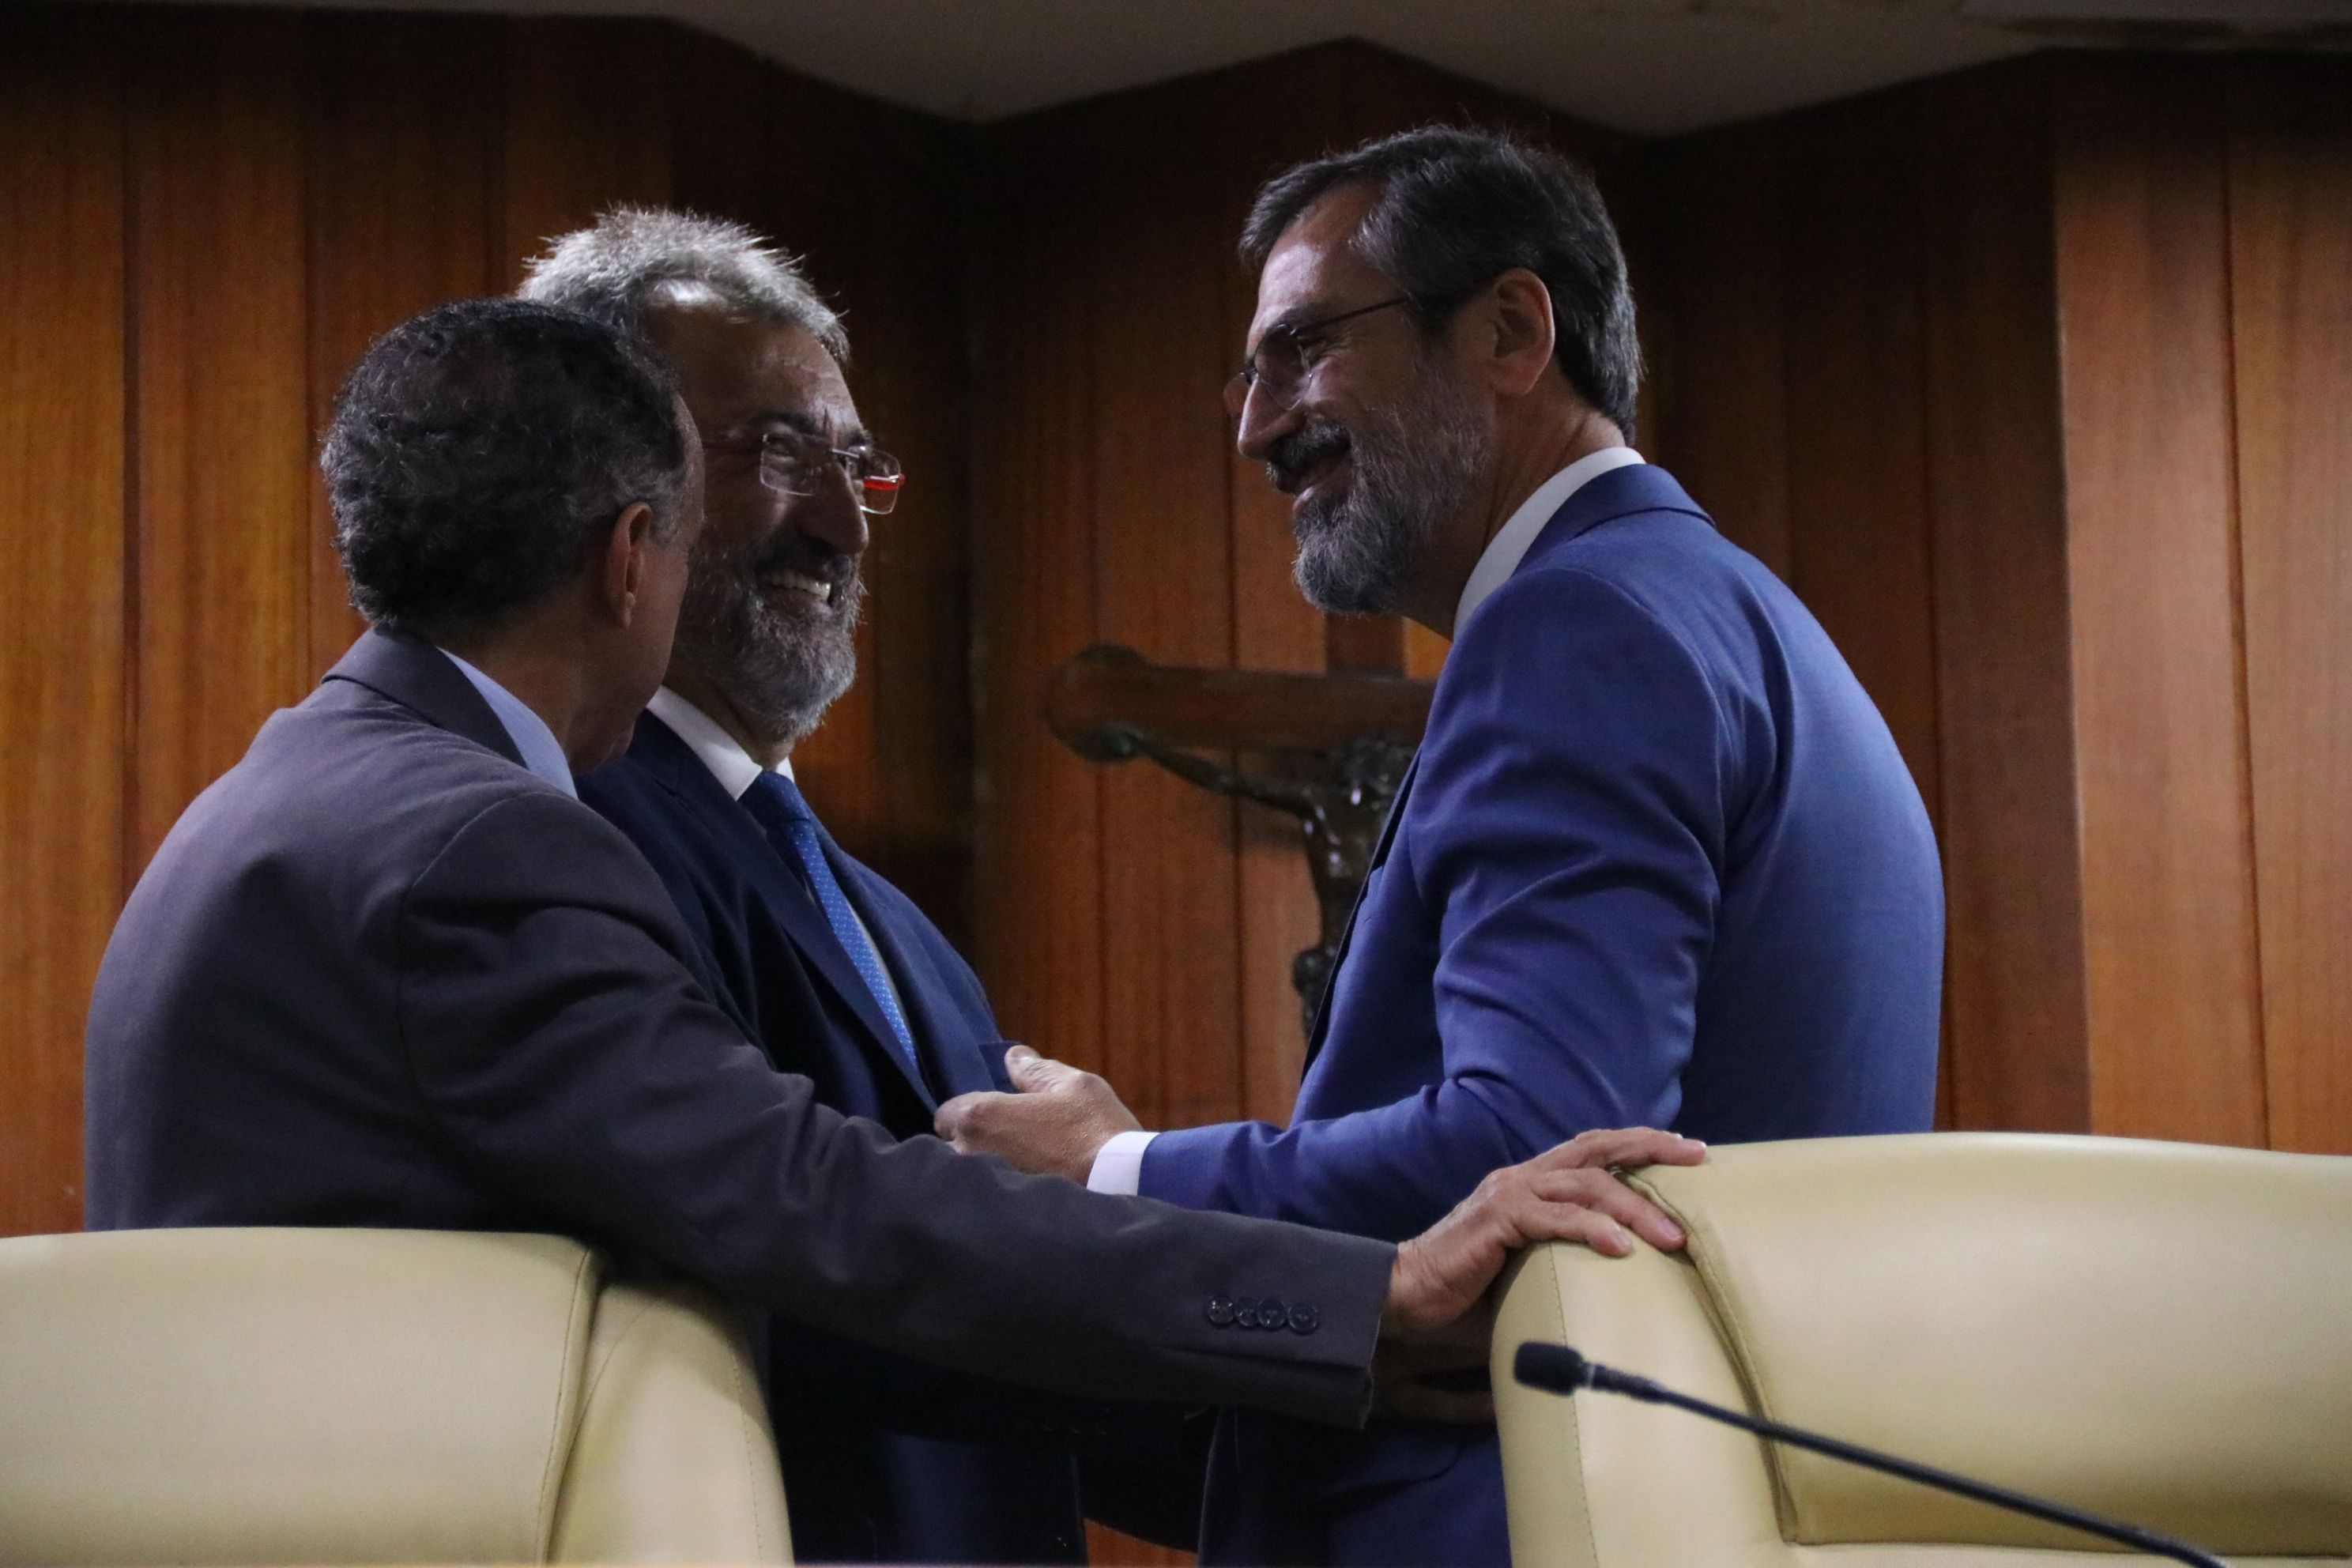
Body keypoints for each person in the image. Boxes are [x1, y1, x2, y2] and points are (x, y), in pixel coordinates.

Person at [81, 298, 1706, 1547]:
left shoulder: (295, 795)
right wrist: (1366, 1294)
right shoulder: (480, 845)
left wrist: (1305, 1378)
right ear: (635, 558)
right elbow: (806, 1206)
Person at [938, 126, 1945, 1567]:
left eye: (1302, 350)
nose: (1256, 428)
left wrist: (1118, 1169)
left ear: (1511, 330)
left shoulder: (1577, 624)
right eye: (1247, 377)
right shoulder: (1736, 615)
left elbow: (1536, 1142)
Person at [520, 209, 1133, 1562]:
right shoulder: (561, 842)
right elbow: (783, 1280)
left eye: (858, 468)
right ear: (609, 480)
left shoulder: (892, 924)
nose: (845, 528)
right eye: (784, 455)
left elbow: (1026, 1354)